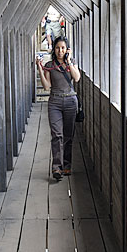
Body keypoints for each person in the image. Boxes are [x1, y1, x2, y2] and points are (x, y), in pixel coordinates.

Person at [36, 36, 81, 180]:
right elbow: (47, 86)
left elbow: (77, 78)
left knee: (68, 136)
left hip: (70, 101)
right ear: (54, 49)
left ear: (67, 49)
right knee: (57, 135)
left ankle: (67, 166)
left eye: (63, 48)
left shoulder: (71, 63)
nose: (60, 51)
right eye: (57, 48)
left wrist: (69, 62)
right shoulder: (50, 65)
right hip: (54, 101)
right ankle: (56, 167)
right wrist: (40, 68)